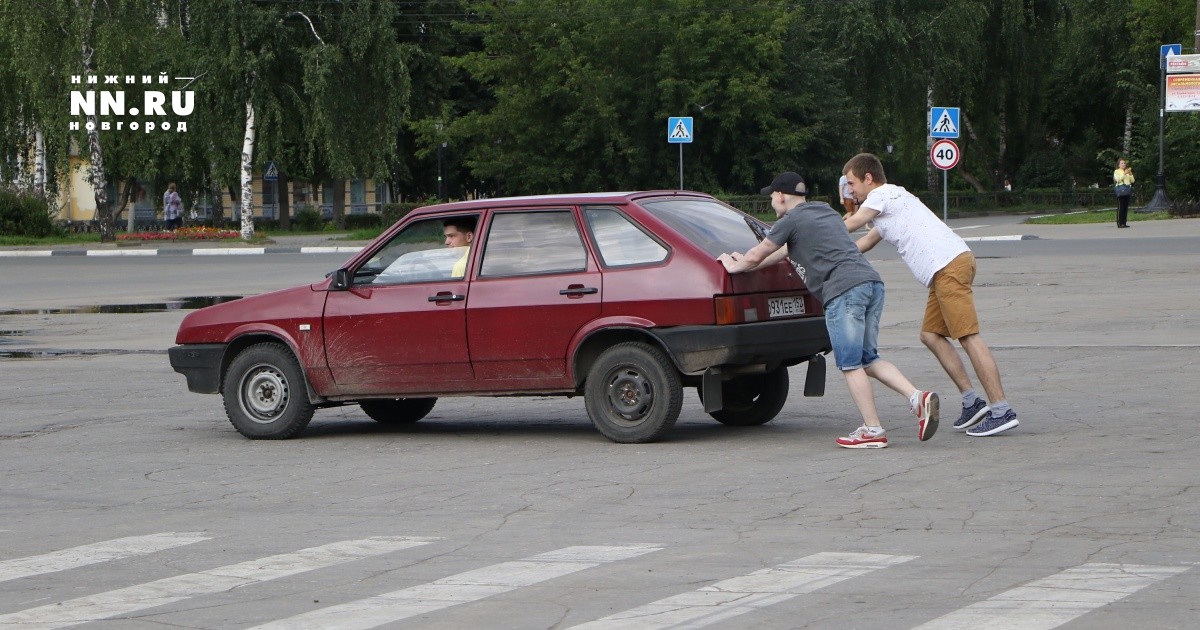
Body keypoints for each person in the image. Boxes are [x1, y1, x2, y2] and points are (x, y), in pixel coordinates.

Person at [719, 171, 939, 449]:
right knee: (869, 358)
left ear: (782, 196)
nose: (772, 200)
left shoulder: (790, 220)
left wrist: (734, 265)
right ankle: (917, 397)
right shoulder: (824, 212)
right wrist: (750, 263)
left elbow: (758, 252)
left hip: (843, 290)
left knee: (850, 364)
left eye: (772, 195)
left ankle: (872, 430)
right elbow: (780, 253)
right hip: (870, 283)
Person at [841, 152, 1018, 437]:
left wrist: (817, 230)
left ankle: (1001, 410)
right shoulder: (891, 203)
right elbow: (863, 242)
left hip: (948, 265)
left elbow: (852, 224)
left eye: (851, 182)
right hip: (944, 269)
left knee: (968, 335)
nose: (850, 189)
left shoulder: (882, 195)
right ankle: (972, 402)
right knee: (931, 335)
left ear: (868, 178)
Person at [1113, 158, 1134, 228]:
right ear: (1118, 165)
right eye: (1122, 163)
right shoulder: (1117, 171)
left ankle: (1124, 223)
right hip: (1121, 190)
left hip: (1127, 190)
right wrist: (1124, 174)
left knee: (1125, 207)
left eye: (1124, 163)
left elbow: (1132, 181)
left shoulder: (1127, 171)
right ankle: (1119, 223)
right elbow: (1118, 180)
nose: (1123, 164)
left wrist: (1130, 174)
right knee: (1121, 207)